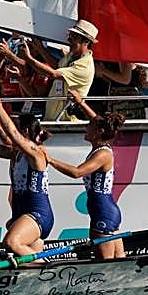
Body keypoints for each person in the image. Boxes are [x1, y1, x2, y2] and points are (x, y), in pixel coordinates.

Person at [45, 92, 126, 259]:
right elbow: (97, 120)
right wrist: (81, 103)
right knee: (119, 260)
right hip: (104, 210)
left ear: (99, 132)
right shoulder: (100, 145)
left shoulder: (103, 154)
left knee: (105, 264)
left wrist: (50, 160)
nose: (86, 127)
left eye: (89, 125)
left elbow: (77, 172)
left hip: (102, 211)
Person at [0, 88, 53, 259]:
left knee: (11, 242)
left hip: (38, 214)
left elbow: (11, 132)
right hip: (21, 213)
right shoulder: (14, 154)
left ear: (25, 132)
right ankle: (44, 269)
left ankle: (48, 266)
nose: (11, 132)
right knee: (27, 265)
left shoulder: (37, 153)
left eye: (17, 127)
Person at [22, 19, 98, 121]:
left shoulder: (84, 66)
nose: (69, 40)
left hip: (66, 121)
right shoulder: (72, 55)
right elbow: (57, 66)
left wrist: (29, 58)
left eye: (74, 37)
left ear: (86, 41)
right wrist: (40, 48)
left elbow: (53, 74)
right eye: (69, 36)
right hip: (54, 118)